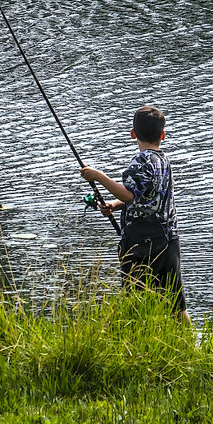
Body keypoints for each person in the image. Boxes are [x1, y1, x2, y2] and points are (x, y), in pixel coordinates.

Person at [80, 106, 189, 323]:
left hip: (143, 243)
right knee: (177, 302)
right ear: (163, 135)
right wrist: (114, 204)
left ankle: (138, 340)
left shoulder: (140, 162)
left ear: (133, 133)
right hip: (168, 239)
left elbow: (130, 195)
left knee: (135, 299)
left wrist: (98, 176)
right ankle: (191, 345)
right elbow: (145, 196)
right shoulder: (163, 160)